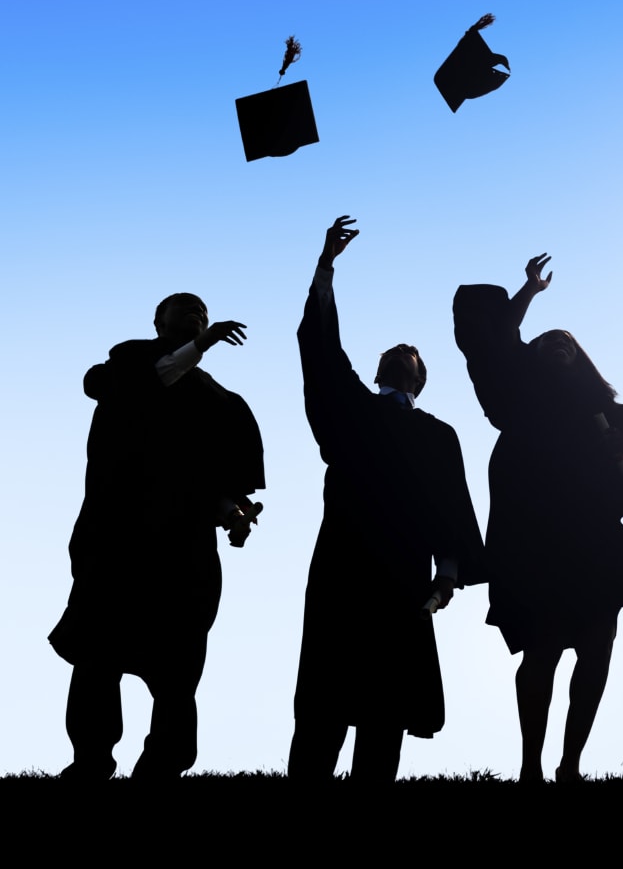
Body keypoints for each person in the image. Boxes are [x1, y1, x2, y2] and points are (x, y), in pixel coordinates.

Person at [288, 216, 486, 781]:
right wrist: (326, 267)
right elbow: (322, 355)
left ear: (421, 378)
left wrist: (447, 573)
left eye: (412, 354)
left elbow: (452, 509)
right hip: (342, 566)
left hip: (403, 575)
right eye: (395, 352)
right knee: (326, 694)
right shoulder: (353, 411)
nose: (403, 354)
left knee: (385, 704)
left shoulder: (439, 435)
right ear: (379, 371)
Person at [453, 253, 623, 783]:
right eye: (546, 339)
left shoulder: (609, 416)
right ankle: (530, 766)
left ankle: (571, 764)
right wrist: (527, 294)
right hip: (536, 541)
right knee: (541, 653)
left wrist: (620, 453)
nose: (557, 340)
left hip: (594, 545)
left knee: (596, 648)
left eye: (567, 339)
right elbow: (492, 342)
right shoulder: (518, 400)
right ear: (530, 356)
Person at [49, 291, 263, 779]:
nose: (196, 313)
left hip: (182, 549)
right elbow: (142, 383)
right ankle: (90, 760)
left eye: (202, 311)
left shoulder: (220, 402)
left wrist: (233, 513)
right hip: (117, 539)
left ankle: (163, 765)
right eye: (183, 306)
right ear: (158, 320)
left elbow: (211, 479)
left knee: (179, 664)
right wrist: (200, 346)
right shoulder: (128, 361)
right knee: (98, 652)